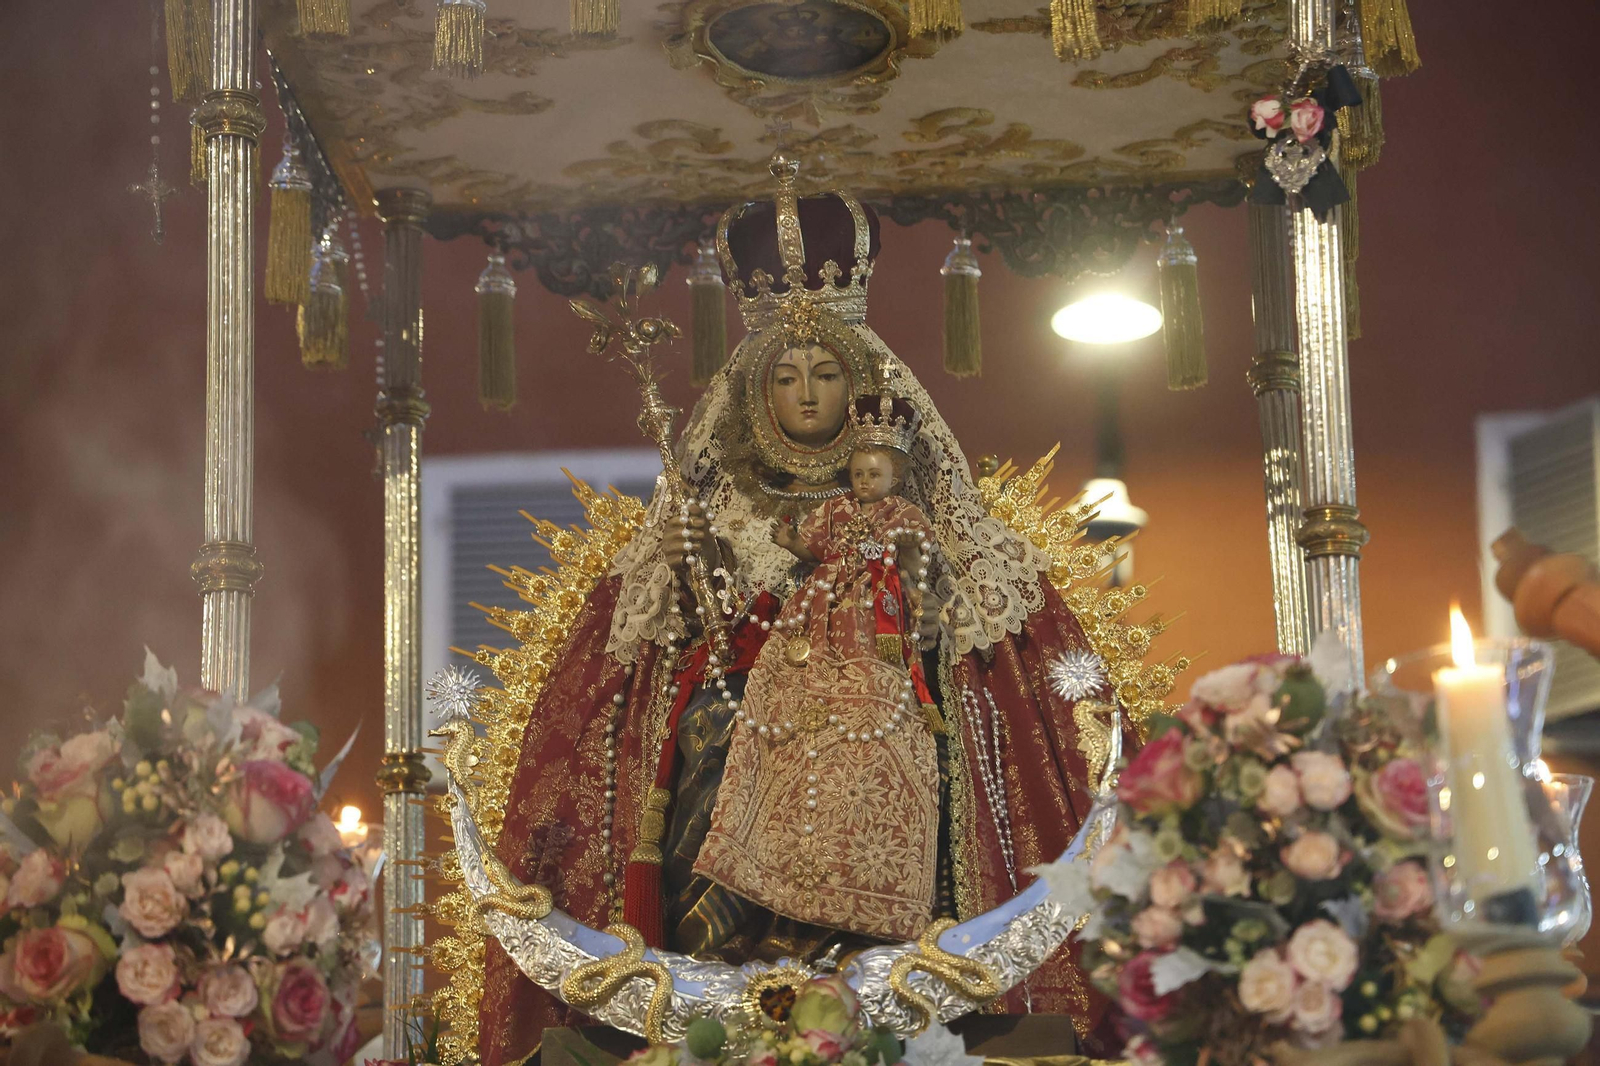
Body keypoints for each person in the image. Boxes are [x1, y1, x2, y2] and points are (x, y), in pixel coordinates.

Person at [478, 154, 1119, 1065]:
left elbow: (957, 616)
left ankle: (881, 968)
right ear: (755, 388)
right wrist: (686, 574)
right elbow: (660, 644)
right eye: (787, 375)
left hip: (885, 693)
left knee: (912, 732)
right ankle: (737, 966)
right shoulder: (714, 489)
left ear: (856, 380)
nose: (807, 392)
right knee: (708, 729)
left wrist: (913, 613)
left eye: (824, 372)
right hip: (745, 703)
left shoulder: (912, 489)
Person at [695, 395, 941, 943]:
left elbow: (919, 552)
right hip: (819, 604)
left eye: (874, 474)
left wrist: (902, 559)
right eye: (857, 473)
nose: (863, 483)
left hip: (875, 606)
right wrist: (791, 541)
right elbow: (811, 545)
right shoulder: (835, 509)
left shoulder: (902, 514)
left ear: (895, 475)